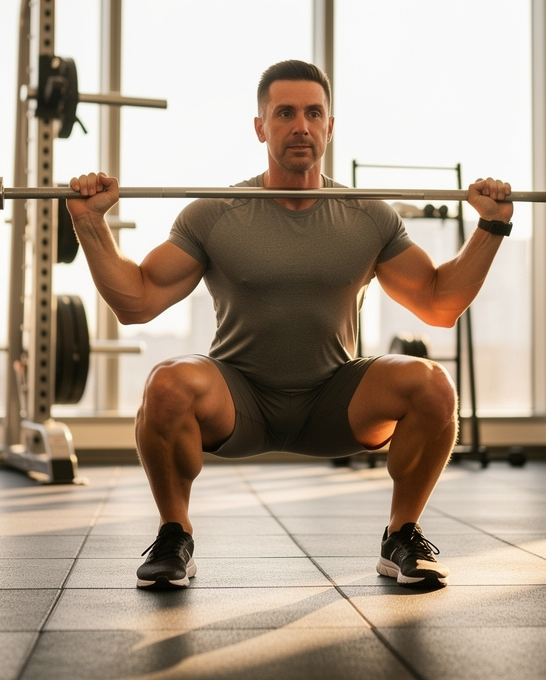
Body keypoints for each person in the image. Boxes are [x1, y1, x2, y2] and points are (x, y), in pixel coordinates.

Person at [66, 59, 512, 591]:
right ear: (261, 127)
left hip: (336, 398)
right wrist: (89, 224)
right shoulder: (216, 212)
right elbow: (136, 301)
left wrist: (490, 227)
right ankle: (173, 535)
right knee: (167, 383)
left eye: (313, 112)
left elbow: (440, 303)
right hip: (240, 397)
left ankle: (402, 535)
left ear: (330, 125)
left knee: (433, 387)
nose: (300, 125)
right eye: (284, 113)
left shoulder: (367, 213)